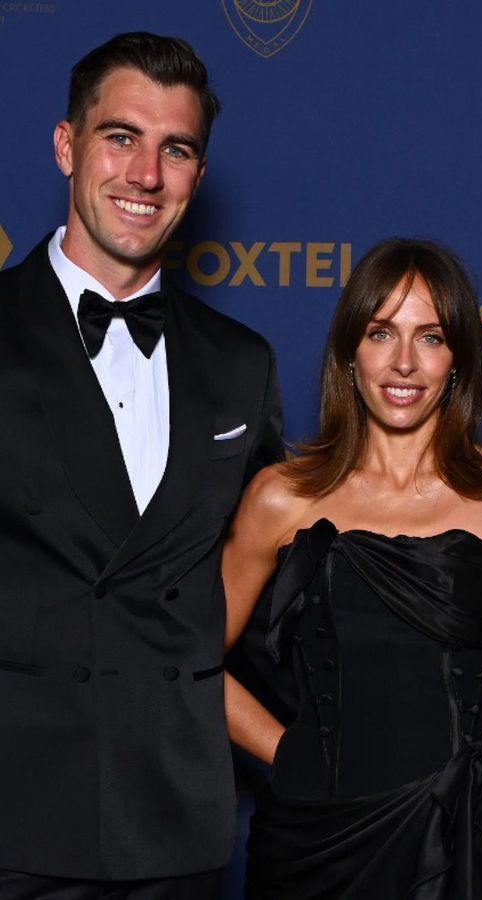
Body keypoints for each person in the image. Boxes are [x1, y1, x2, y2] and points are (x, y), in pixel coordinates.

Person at [0, 32, 282, 898]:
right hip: (17, 819)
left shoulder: (242, 362)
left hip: (179, 825)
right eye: (121, 137)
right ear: (66, 146)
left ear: (198, 173)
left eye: (177, 149)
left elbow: (267, 595)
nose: (145, 175)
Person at [219, 239, 482, 898]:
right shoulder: (282, 496)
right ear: (348, 352)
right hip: (310, 845)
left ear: (458, 360)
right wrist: (285, 751)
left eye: (431, 338)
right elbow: (184, 659)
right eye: (381, 332)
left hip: (458, 845)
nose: (403, 363)